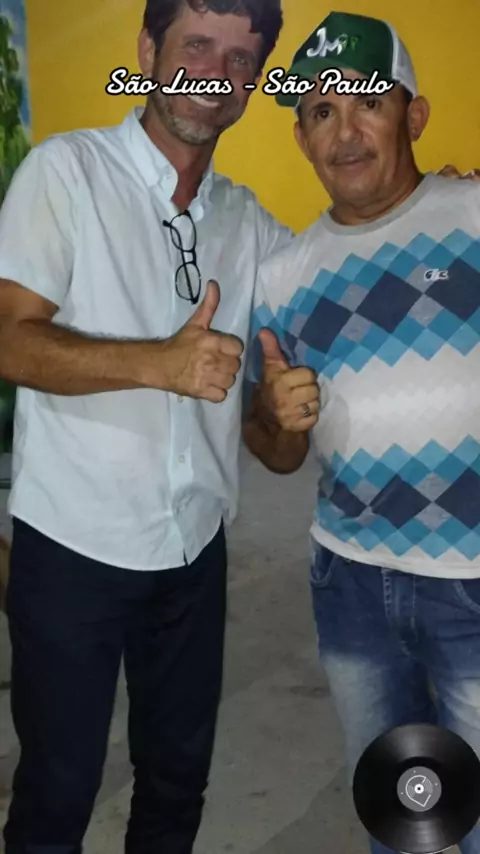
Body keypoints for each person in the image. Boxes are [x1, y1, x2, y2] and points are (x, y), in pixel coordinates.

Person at [0, 1, 292, 852]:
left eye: (240, 58)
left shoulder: (246, 219)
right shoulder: (67, 172)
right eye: (196, 45)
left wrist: (433, 205)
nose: (216, 73)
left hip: (195, 550)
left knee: (176, 781)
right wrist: (157, 364)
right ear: (147, 51)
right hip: (74, 548)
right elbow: (9, 338)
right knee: (58, 790)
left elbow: (337, 272)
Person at [243, 11, 480, 854]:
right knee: (403, 817)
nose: (343, 132)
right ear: (301, 137)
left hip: (472, 580)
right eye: (319, 110)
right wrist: (274, 417)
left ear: (414, 115)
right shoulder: (282, 276)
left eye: (367, 103)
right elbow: (276, 454)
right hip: (351, 584)